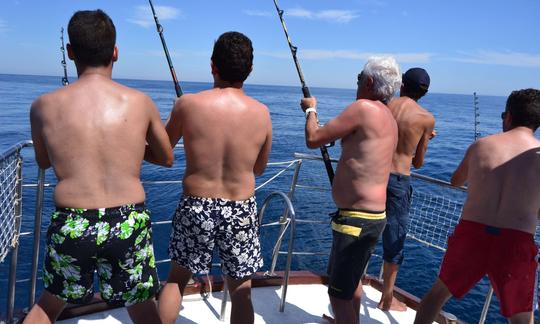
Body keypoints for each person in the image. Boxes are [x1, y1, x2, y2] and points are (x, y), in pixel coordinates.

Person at [24, 10, 173, 324]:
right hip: (127, 220)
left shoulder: (42, 106)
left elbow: (43, 160)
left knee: (48, 306)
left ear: (70, 53)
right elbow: (166, 157)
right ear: (115, 52)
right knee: (144, 308)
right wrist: (129, 144)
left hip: (72, 221)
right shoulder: (140, 101)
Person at [158, 31, 272, 324]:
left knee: (176, 279)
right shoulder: (262, 113)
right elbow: (258, 169)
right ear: (249, 70)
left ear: (212, 66)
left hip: (196, 205)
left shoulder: (187, 104)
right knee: (242, 290)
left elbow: (162, 150)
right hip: (240, 207)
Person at [414, 89, 540, 324]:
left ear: (509, 116)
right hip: (515, 242)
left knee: (437, 295)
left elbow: (456, 181)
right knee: (521, 317)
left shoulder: (481, 145)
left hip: (472, 234)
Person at [300, 56, 401, 324]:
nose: (356, 83)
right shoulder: (388, 117)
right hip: (372, 218)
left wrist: (311, 110)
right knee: (351, 283)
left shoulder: (363, 109)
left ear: (368, 82)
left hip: (355, 221)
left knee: (338, 296)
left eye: (358, 78)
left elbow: (313, 139)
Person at [378, 68, 436, 311]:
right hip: (399, 180)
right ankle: (387, 298)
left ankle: (352, 288)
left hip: (375, 174)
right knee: (394, 238)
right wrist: (427, 139)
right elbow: (418, 162)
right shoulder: (425, 118)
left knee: (364, 233)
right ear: (424, 93)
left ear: (401, 84)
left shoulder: (384, 106)